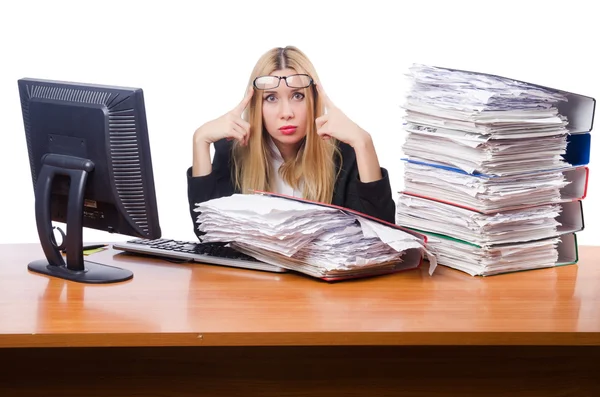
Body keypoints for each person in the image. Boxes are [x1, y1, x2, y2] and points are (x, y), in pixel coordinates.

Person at [187, 46, 396, 239]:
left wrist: (364, 143)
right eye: (271, 98)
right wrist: (200, 141)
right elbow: (208, 234)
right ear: (255, 106)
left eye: (297, 96)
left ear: (314, 100)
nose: (286, 113)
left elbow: (382, 238)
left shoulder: (344, 154)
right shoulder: (232, 152)